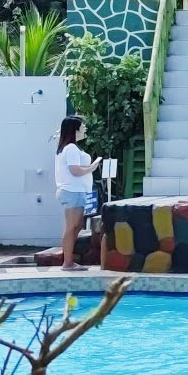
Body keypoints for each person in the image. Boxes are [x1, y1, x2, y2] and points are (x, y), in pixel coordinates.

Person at [56, 115, 103, 272]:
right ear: (74, 130)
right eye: (82, 127)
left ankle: (69, 261)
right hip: (72, 191)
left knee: (76, 226)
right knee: (71, 226)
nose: (85, 129)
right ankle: (67, 262)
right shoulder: (71, 149)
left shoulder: (70, 148)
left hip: (76, 191)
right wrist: (92, 167)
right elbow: (75, 170)